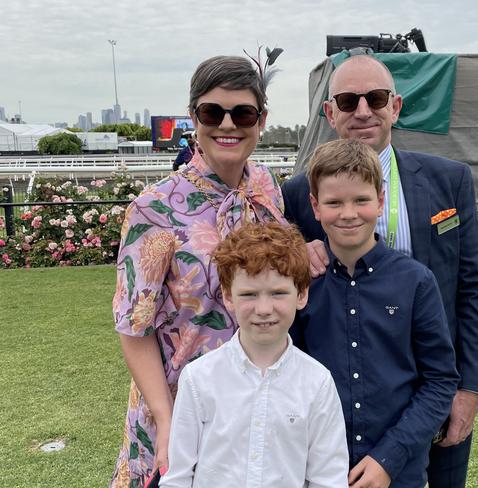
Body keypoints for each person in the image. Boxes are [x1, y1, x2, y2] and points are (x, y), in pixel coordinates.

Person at [282, 54, 478, 488]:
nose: (363, 111)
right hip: (348, 401)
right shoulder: (298, 194)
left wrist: (470, 389)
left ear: (395, 106)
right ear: (329, 112)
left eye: (376, 98)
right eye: (347, 100)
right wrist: (295, 250)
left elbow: (475, 287)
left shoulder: (449, 180)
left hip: (438, 386)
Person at [111, 55, 286, 487]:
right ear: (194, 117)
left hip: (258, 403)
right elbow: (134, 328)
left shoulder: (268, 187)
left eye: (243, 113)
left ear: (261, 120)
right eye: (213, 112)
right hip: (178, 406)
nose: (228, 125)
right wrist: (168, 420)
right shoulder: (153, 208)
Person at [291, 139, 459, 487]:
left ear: (380, 201)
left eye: (361, 200)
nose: (348, 213)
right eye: (334, 202)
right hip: (319, 471)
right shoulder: (302, 287)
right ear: (315, 206)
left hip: (399, 474)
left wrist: (389, 458)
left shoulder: (415, 282)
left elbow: (440, 381)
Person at [161, 223, 349, 488]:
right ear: (228, 296)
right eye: (249, 294)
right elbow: (178, 477)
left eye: (278, 293)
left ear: (302, 294)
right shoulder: (198, 378)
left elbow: (327, 479)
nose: (264, 309)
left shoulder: (317, 382)